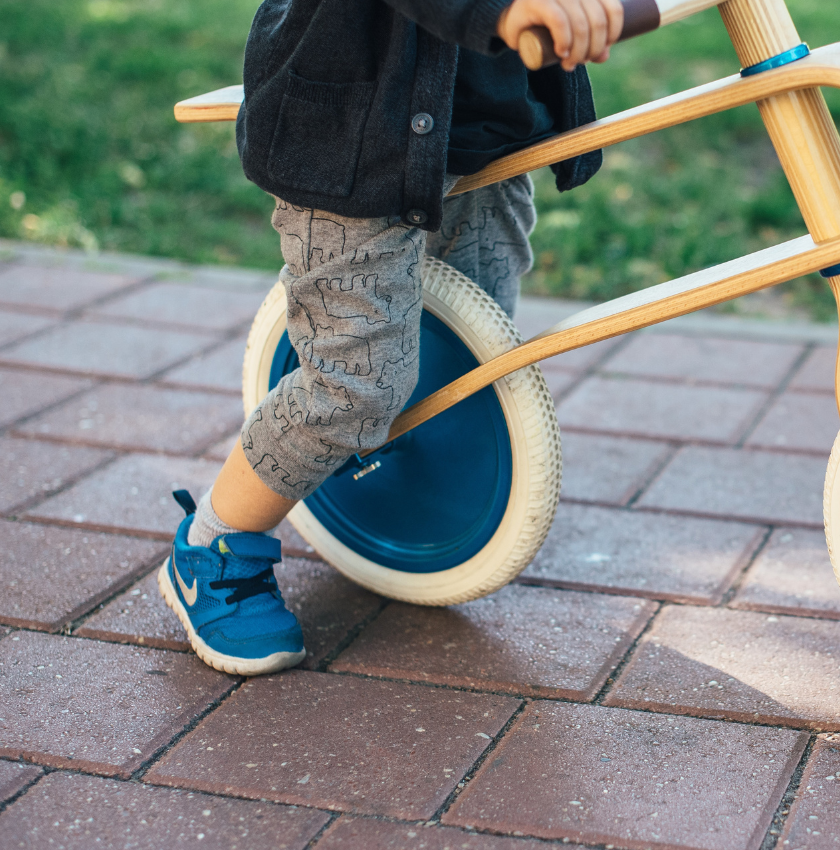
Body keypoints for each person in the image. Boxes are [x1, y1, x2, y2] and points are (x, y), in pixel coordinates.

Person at [158, 0, 624, 676]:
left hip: (484, 124)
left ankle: (399, 498)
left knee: (465, 362)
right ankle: (213, 545)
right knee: (356, 386)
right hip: (355, 140)